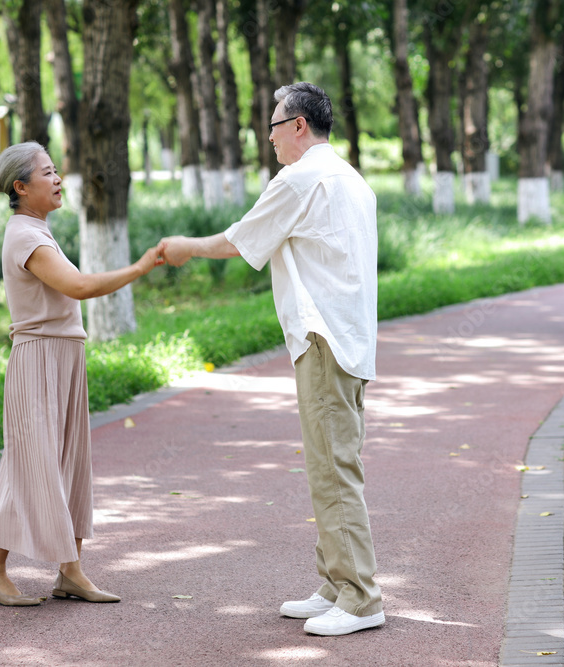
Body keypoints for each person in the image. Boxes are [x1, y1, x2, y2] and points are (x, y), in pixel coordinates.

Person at [160, 82, 383, 636]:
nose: (271, 137)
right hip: (348, 340)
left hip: (325, 340)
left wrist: (186, 245)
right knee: (329, 464)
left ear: (300, 126)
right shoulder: (350, 178)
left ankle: (361, 598)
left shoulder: (302, 178)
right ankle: (336, 582)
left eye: (276, 126)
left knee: (333, 470)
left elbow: (241, 241)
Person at [0, 141, 165, 606]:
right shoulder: (25, 235)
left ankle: (71, 572)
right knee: (30, 465)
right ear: (21, 187)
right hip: (37, 358)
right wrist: (139, 267)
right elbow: (77, 287)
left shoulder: (37, 229)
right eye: (47, 173)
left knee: (69, 461)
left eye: (57, 170)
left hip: (61, 356)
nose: (58, 179)